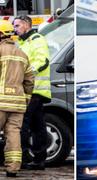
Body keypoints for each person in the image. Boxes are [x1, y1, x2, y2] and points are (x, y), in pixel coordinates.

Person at [13, 15, 51, 170]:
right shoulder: (22, 43)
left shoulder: (36, 40)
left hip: (33, 90)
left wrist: (25, 75)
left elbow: (42, 61)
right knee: (37, 125)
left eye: (17, 26)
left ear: (27, 25)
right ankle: (39, 159)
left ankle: (23, 158)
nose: (15, 30)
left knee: (23, 124)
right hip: (32, 90)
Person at [0, 20, 34, 177]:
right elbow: (29, 81)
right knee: (13, 134)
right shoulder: (22, 54)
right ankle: (12, 168)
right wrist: (25, 100)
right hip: (18, 103)